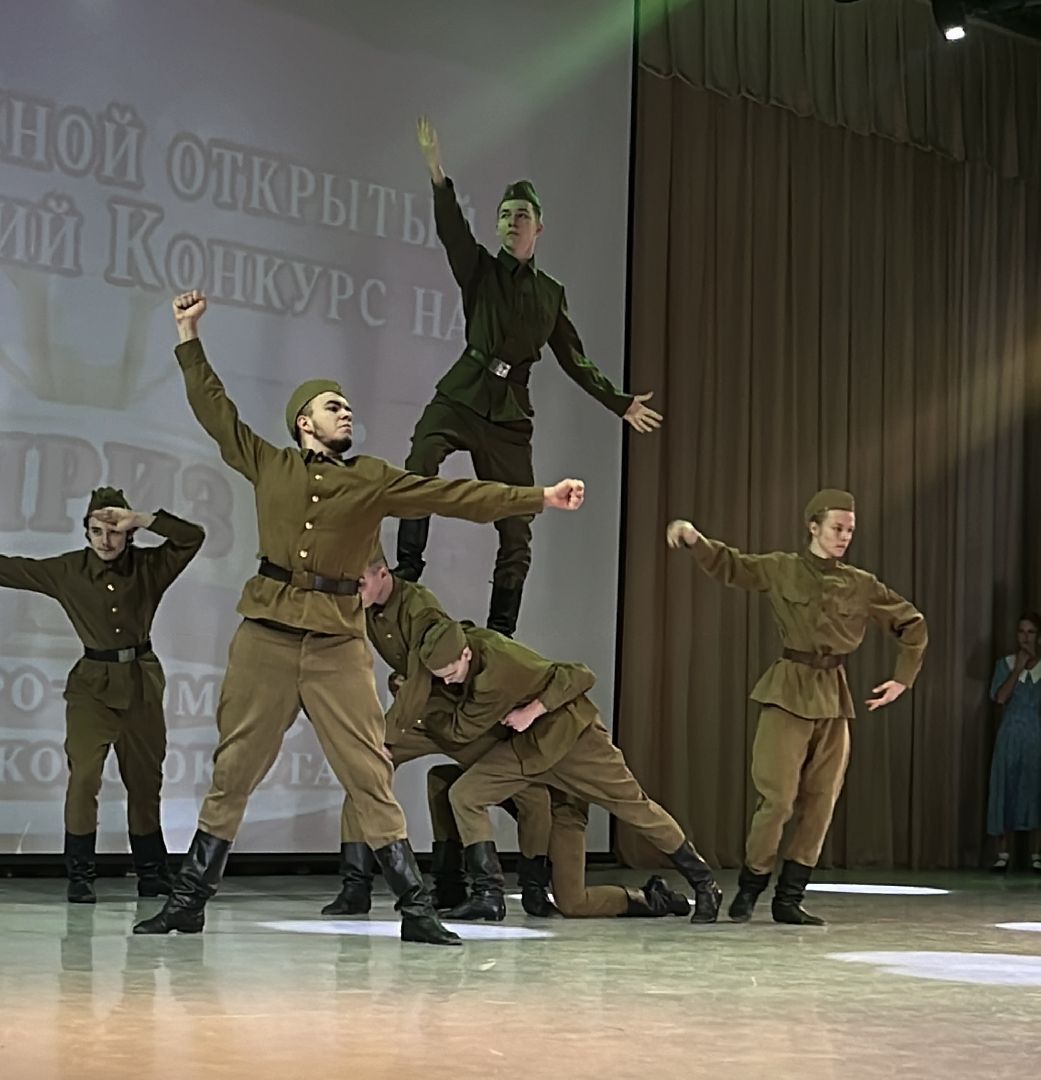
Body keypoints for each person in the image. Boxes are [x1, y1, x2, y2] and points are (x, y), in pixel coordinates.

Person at [132, 291, 585, 946]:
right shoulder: (272, 464)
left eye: (346, 405)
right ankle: (189, 899)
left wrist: (535, 496)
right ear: (303, 423)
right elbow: (215, 412)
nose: (346, 412)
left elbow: (451, 494)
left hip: (337, 646)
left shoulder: (370, 477)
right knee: (235, 769)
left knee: (367, 771)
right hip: (264, 635)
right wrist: (186, 335)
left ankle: (415, 908)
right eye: (331, 406)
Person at [393, 115, 662, 637]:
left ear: (540, 226)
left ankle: (500, 632)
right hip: (463, 394)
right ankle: (408, 567)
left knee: (518, 526)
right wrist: (436, 171)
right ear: (497, 226)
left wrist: (620, 402)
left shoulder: (551, 294)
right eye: (505, 215)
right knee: (419, 462)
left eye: (522, 215)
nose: (513, 222)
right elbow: (452, 230)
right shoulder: (479, 271)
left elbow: (574, 358)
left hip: (510, 415)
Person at [667, 488, 928, 925]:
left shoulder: (861, 584)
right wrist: (694, 538)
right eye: (836, 528)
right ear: (813, 526)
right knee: (777, 799)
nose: (844, 536)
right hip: (788, 691)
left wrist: (903, 679)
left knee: (821, 802)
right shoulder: (782, 568)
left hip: (834, 698)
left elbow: (912, 623)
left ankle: (789, 899)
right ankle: (751, 887)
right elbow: (732, 565)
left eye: (849, 530)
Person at [391, 619, 723, 924]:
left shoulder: (502, 666)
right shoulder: (461, 652)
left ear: (465, 653)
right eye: (438, 678)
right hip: (529, 752)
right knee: (464, 794)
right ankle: (488, 894)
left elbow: (580, 675)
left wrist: (532, 711)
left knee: (633, 812)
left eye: (450, 673)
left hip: (574, 744)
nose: (446, 682)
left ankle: (701, 885)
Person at [322, 552, 556, 917]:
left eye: (361, 582)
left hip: (453, 716)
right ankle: (357, 887)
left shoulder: (420, 607)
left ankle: (531, 887)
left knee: (529, 792)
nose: (354, 590)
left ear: (383, 574)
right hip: (421, 717)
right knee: (363, 773)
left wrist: (385, 734)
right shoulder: (366, 608)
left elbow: (418, 677)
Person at [0, 488, 204, 902]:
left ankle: (152, 874)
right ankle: (80, 876)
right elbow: (10, 569)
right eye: (96, 531)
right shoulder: (68, 571)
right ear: (86, 532)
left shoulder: (149, 567)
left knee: (146, 782)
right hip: (91, 687)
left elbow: (191, 537)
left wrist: (144, 517)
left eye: (114, 531)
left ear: (128, 533)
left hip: (141, 683)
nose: (105, 540)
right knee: (84, 778)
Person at [985, 613, 1041, 873]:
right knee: (1005, 787)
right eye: (1022, 632)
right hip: (1010, 734)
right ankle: (1002, 853)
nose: (1025, 637)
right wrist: (1018, 668)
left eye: (1030, 632)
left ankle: (1036, 854)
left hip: (1036, 734)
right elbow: (1000, 698)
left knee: (1034, 788)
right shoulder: (1005, 664)